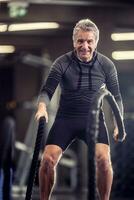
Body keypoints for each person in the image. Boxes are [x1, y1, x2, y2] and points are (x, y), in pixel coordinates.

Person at [35, 18, 126, 200]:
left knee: (104, 160)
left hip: (93, 121)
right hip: (65, 119)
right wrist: (42, 108)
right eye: (80, 41)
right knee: (47, 160)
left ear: (95, 42)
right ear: (74, 41)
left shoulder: (106, 65)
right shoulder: (62, 62)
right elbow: (47, 91)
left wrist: (118, 123)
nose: (85, 46)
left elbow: (116, 97)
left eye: (89, 41)